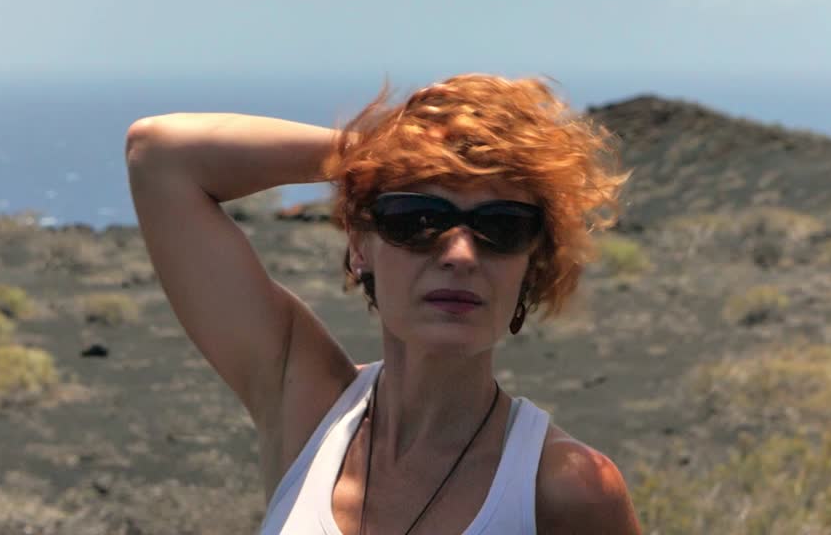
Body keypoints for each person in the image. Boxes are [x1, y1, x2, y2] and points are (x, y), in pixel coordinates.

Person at [125, 73, 642, 534]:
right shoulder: (308, 409)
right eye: (416, 218)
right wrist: (379, 154)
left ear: (533, 263)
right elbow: (160, 154)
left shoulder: (563, 490)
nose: (460, 254)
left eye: (502, 227)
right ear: (360, 244)